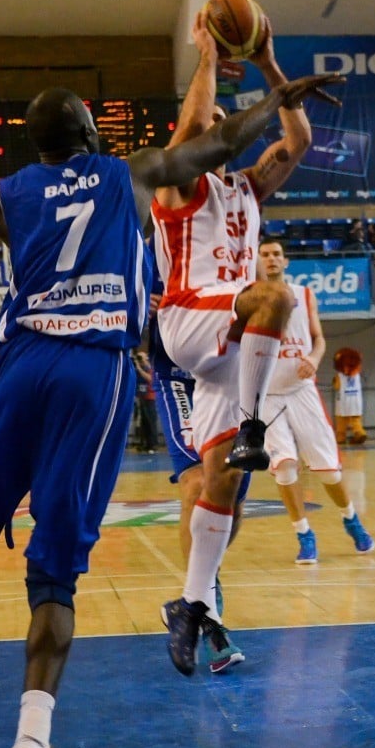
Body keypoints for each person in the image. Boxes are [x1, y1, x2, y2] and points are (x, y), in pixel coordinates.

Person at [0, 78, 343, 748]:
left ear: (37, 146)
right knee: (54, 575)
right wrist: (279, 95)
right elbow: (225, 142)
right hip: (92, 371)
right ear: (89, 135)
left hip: (18, 371)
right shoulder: (130, 172)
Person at [151, 10, 343, 674]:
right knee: (277, 297)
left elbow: (299, 140)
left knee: (223, 485)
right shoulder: (178, 182)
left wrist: (269, 64)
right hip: (188, 320)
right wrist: (206, 55)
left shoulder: (247, 189)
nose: (223, 137)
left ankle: (191, 605)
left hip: (230, 351)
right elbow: (190, 134)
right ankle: (259, 424)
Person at [147, 279, 248, 674]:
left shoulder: (236, 245)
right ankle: (209, 618)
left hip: (228, 376)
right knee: (196, 483)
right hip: (178, 376)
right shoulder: (155, 245)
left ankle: (196, 591)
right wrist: (141, 306)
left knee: (230, 499)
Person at [258, 237, 375, 565]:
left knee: (328, 471)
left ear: (286, 261)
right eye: (265, 254)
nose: (271, 259)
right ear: (256, 261)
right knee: (284, 467)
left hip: (301, 389)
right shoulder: (247, 298)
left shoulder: (304, 293)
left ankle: (351, 518)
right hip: (267, 395)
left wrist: (313, 356)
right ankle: (304, 534)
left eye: (277, 254)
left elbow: (320, 338)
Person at [132, 348, 159, 452]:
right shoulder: (138, 368)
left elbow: (150, 379)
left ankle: (153, 445)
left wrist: (140, 368)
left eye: (141, 357)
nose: (139, 359)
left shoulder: (149, 367)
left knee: (151, 421)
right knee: (143, 422)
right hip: (141, 397)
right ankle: (145, 444)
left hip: (150, 397)